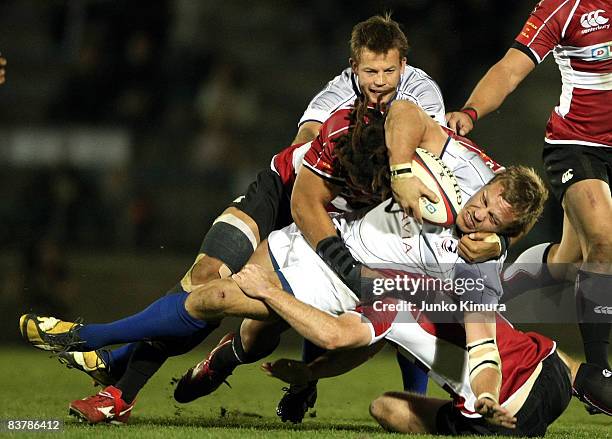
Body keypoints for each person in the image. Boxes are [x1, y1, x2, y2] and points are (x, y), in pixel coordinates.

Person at [20, 96, 509, 424]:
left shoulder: (479, 207)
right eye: (369, 71)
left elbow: (388, 331)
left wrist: (494, 248)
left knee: (254, 336)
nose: (377, 82)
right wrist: (400, 172)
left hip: (350, 261)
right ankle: (109, 370)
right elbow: (308, 201)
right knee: (209, 285)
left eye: (493, 214)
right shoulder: (344, 125)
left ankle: (212, 358)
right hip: (297, 205)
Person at [231, 262, 611, 436]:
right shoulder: (436, 277)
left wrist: (269, 291)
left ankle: (487, 412)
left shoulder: (389, 304)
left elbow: (333, 335)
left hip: (503, 407)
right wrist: (312, 373)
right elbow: (362, 347)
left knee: (385, 407)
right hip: (552, 374)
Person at [445, 0, 612, 373]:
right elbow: (510, 69)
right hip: (578, 146)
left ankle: (504, 286)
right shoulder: (564, 8)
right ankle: (600, 373)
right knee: (604, 240)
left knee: (570, 262)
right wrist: (471, 112)